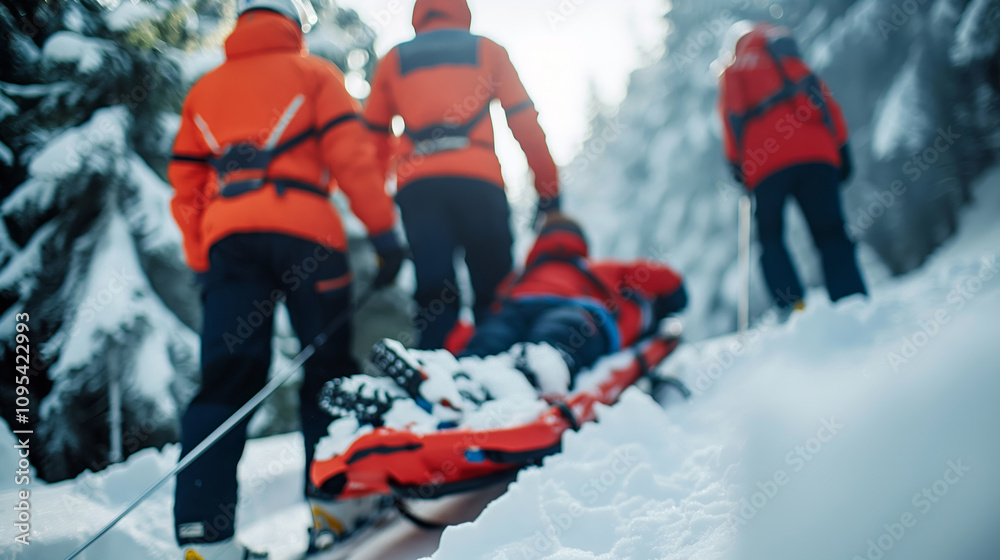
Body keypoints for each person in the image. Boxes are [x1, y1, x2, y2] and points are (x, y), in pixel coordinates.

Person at [167, 0, 406, 558]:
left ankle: (204, 535)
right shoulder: (315, 74)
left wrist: (202, 258)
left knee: (226, 378)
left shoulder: (205, 90)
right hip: (308, 237)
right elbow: (352, 159)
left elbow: (187, 189)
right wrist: (384, 234)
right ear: (294, 24)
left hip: (229, 243)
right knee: (327, 366)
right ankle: (335, 504)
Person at [324, 215, 688, 427]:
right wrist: (670, 304)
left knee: (487, 345)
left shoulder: (517, 279)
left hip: (514, 309)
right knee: (560, 336)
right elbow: (664, 279)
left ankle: (445, 379)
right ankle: (536, 368)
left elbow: (483, 322)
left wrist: (457, 346)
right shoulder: (598, 269)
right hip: (577, 310)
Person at [363, 0, 562, 350]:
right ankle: (498, 360)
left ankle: (435, 364)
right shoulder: (488, 49)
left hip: (419, 187)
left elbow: (371, 145)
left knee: (434, 291)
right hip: (479, 183)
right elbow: (524, 121)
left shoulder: (395, 58)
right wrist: (549, 191)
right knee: (495, 289)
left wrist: (378, 222)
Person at [718, 22, 867, 312]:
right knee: (830, 231)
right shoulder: (788, 58)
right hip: (816, 154)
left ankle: (792, 307)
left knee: (771, 237)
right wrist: (842, 149)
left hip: (765, 163)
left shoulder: (734, 72)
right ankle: (851, 301)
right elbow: (827, 104)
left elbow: (730, 120)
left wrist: (737, 167)